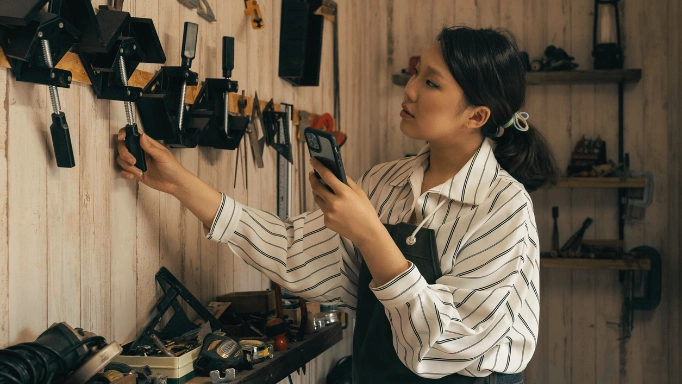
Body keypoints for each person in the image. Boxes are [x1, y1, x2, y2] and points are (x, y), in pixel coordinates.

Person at [117, 26, 559, 384]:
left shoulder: (504, 207)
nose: (409, 91)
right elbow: (293, 251)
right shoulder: (383, 183)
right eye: (415, 73)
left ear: (476, 116)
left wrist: (370, 233)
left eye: (430, 82)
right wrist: (178, 182)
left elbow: (440, 345)